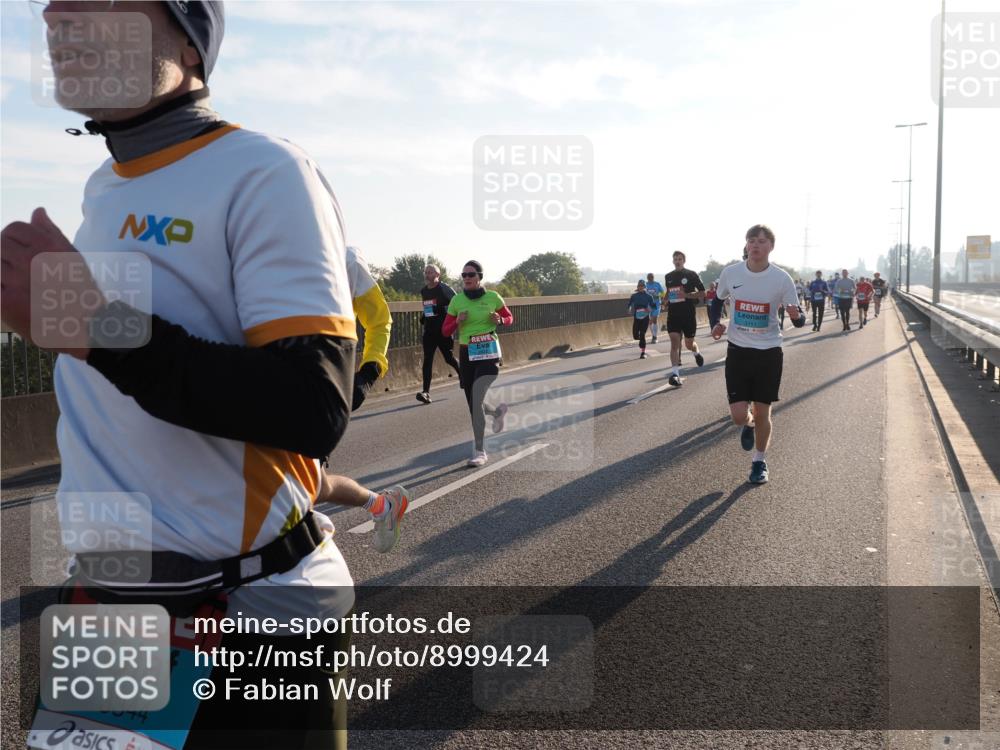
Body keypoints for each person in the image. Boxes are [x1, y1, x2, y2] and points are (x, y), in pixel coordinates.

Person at [1, 3, 359, 747]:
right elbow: (124, 381)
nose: (56, 13)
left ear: (191, 43)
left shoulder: (267, 171)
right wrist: (60, 327)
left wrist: (96, 327)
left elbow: (312, 404)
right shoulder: (105, 186)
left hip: (249, 614)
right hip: (110, 603)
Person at [712, 224, 804, 484]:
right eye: (752, 240)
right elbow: (717, 300)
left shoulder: (781, 279)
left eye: (762, 241)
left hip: (768, 353)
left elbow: (799, 318)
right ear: (746, 244)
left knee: (764, 412)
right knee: (737, 416)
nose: (756, 245)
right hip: (738, 351)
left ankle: (759, 461)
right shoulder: (731, 273)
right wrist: (716, 323)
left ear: (771, 247)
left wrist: (796, 316)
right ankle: (749, 424)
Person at [442, 261, 513, 467]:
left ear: (479, 277)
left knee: (476, 399)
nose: (466, 278)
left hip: (489, 353)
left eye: (471, 274)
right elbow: (445, 331)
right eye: (464, 275)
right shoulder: (457, 301)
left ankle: (480, 451)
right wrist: (457, 321)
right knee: (473, 402)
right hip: (467, 354)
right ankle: (497, 413)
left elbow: (509, 317)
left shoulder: (493, 297)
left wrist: (500, 320)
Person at [346, 245, 392, 410]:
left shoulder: (349, 260)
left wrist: (370, 370)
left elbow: (379, 320)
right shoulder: (270, 251)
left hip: (327, 378)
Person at [416, 263, 460, 403]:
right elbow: (428, 307)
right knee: (427, 359)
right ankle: (426, 392)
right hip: (429, 331)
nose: (427, 275)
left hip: (443, 330)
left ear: (437, 275)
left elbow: (458, 303)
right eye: (426, 272)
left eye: (430, 272)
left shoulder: (444, 288)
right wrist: (424, 315)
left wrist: (443, 310)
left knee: (449, 358)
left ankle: (463, 375)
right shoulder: (424, 291)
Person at [663, 251, 706, 386]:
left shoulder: (691, 274)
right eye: (675, 259)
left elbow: (702, 293)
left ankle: (696, 352)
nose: (677, 261)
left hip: (688, 314)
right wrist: (664, 301)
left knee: (689, 344)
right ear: (673, 261)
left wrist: (686, 295)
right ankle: (675, 374)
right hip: (673, 314)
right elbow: (669, 292)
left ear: (684, 260)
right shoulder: (668, 276)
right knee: (674, 343)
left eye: (680, 259)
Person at [628, 279, 655, 359]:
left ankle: (643, 353)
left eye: (642, 286)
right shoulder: (634, 296)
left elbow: (653, 306)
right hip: (637, 317)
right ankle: (641, 339)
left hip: (645, 317)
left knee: (642, 333)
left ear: (645, 287)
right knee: (635, 336)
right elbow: (630, 304)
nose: (641, 287)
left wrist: (649, 310)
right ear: (637, 287)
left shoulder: (649, 296)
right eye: (639, 286)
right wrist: (629, 309)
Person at [644, 272, 665, 344]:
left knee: (654, 319)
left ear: (653, 277)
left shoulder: (657, 284)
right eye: (649, 277)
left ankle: (655, 337)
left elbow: (663, 293)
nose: (650, 278)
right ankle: (653, 335)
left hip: (656, 304)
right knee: (649, 321)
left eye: (652, 277)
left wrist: (661, 300)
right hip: (648, 305)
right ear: (647, 278)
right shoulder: (645, 285)